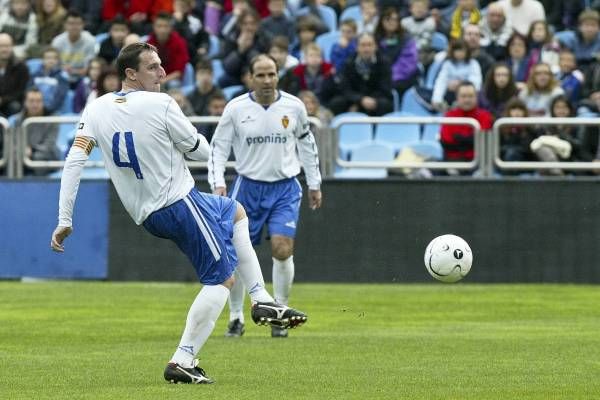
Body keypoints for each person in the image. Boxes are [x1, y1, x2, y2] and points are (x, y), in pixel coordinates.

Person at [50, 42, 307, 384]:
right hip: (176, 202)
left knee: (234, 211)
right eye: (153, 67)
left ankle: (261, 299)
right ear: (131, 74)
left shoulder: (96, 109)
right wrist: (181, 142)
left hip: (148, 212)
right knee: (221, 281)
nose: (162, 73)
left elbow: (74, 161)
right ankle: (182, 360)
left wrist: (65, 219)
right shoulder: (161, 104)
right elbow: (200, 150)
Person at [208, 54, 322, 338]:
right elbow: (218, 147)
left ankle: (279, 313)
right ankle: (236, 317)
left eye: (272, 74)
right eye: (261, 75)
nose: (267, 80)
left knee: (283, 248)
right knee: (235, 255)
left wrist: (314, 183)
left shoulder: (294, 107)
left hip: (285, 187)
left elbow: (307, 146)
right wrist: (217, 182)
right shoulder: (236, 108)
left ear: (278, 75)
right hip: (247, 187)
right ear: (250, 78)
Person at [328, 32, 394, 116]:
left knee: (385, 105)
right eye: (363, 45)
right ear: (357, 47)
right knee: (336, 103)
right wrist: (360, 100)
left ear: (375, 46)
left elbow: (385, 88)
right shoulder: (348, 63)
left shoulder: (384, 63)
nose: (366, 49)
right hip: (354, 98)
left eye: (370, 45)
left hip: (376, 98)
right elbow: (344, 88)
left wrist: (368, 100)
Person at [439, 81, 493, 166]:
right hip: (452, 162)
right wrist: (470, 140)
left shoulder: (485, 116)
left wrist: (459, 139)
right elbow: (446, 141)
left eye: (471, 96)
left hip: (479, 164)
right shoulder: (449, 116)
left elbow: (482, 140)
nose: (467, 100)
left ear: (476, 97)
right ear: (457, 98)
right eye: (463, 96)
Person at [13, 87, 60, 175]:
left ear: (43, 102)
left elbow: (49, 145)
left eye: (38, 101)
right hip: (24, 156)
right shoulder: (18, 120)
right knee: (13, 159)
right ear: (25, 103)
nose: (35, 105)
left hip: (46, 156)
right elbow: (16, 142)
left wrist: (32, 151)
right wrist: (23, 150)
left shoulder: (52, 119)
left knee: (38, 159)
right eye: (31, 101)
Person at [431, 39, 482, 112]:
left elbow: (476, 83)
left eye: (462, 51)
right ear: (453, 52)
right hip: (449, 95)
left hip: (467, 95)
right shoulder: (447, 64)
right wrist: (437, 99)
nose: (460, 53)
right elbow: (441, 81)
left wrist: (460, 85)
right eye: (457, 50)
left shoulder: (473, 64)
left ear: (467, 51)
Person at [51, 9, 96, 87]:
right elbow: (52, 66)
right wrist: (62, 69)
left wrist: (70, 70)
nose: (74, 27)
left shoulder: (90, 41)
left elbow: (88, 70)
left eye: (78, 23)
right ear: (64, 25)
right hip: (61, 78)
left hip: (82, 79)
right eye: (71, 23)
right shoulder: (57, 42)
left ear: (83, 25)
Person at [147, 12, 190, 89]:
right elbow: (146, 66)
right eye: (159, 26)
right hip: (154, 78)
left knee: (174, 84)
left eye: (165, 26)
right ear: (154, 27)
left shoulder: (179, 42)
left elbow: (179, 71)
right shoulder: (149, 43)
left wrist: (164, 80)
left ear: (171, 28)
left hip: (171, 79)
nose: (162, 30)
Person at [27, 47, 70, 115]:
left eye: (54, 58)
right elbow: (28, 92)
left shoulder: (62, 78)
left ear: (58, 61)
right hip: (34, 108)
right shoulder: (35, 75)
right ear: (42, 60)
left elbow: (59, 98)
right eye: (48, 58)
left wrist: (45, 110)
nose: (51, 61)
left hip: (52, 112)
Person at [0, 33, 29, 117]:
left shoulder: (21, 67)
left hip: (11, 103)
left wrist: (3, 100)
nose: (4, 49)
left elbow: (21, 91)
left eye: (7, 46)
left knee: (15, 106)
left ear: (12, 47)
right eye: (1, 46)